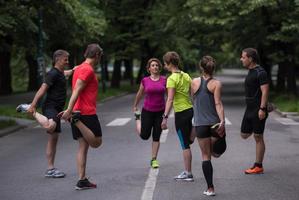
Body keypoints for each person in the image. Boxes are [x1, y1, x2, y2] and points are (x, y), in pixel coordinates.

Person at [16, 49, 73, 178]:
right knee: (49, 126)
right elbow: (42, 89)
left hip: (58, 110)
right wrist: (34, 105)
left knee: (53, 139)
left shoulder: (61, 73)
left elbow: (69, 72)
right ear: (58, 59)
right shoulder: (52, 74)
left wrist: (83, 66)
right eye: (65, 59)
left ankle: (50, 169)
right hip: (50, 106)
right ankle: (29, 109)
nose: (67, 62)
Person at [60, 43, 103, 190]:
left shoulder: (79, 68)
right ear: (97, 55)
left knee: (82, 147)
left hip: (78, 110)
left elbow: (71, 73)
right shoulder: (87, 70)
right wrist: (69, 110)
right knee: (96, 142)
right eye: (100, 56)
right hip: (85, 112)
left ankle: (82, 179)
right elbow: (77, 90)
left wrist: (68, 71)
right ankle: (76, 121)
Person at [191, 55, 225, 196]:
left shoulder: (193, 82)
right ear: (213, 68)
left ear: (201, 67)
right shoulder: (216, 83)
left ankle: (210, 188)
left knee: (206, 156)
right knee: (218, 152)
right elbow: (218, 103)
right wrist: (222, 121)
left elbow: (192, 99)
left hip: (200, 124)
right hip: (214, 124)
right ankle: (213, 149)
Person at [161, 51, 194, 181]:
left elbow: (169, 99)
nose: (164, 66)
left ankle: (188, 173)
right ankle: (195, 130)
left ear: (169, 64)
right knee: (188, 141)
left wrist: (165, 117)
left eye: (164, 64)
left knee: (185, 144)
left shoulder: (171, 79)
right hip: (190, 110)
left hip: (180, 113)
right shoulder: (186, 76)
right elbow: (192, 94)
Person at [133, 58, 166, 169]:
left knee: (156, 136)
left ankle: (154, 159)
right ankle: (137, 119)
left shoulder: (164, 80)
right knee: (144, 136)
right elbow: (140, 93)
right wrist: (135, 105)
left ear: (159, 67)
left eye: (157, 65)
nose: (155, 67)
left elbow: (170, 96)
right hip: (147, 111)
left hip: (160, 112)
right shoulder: (145, 80)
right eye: (153, 65)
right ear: (149, 68)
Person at [240, 48, 269, 174]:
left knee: (258, 136)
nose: (241, 59)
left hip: (258, 109)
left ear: (250, 58)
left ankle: (258, 166)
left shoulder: (260, 72)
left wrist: (262, 109)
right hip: (249, 109)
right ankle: (267, 110)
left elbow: (265, 91)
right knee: (244, 135)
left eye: (243, 57)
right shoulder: (250, 71)